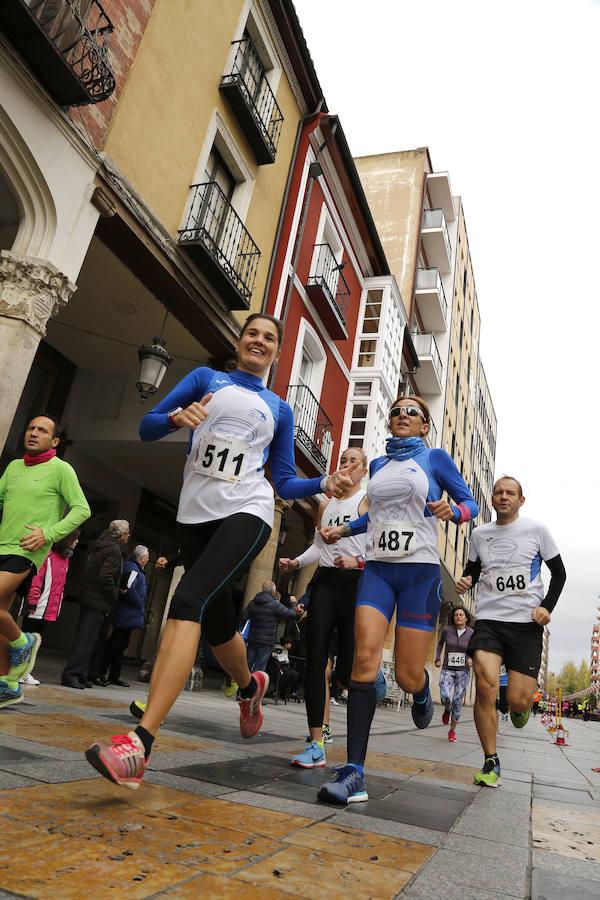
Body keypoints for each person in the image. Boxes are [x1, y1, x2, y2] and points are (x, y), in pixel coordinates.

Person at [85, 313, 357, 789]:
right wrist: (176, 417)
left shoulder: (278, 408)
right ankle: (251, 688)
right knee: (214, 623)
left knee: (188, 600)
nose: (259, 341)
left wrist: (323, 483)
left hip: (248, 510)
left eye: (269, 338)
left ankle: (138, 746)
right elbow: (148, 427)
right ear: (239, 341)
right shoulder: (204, 380)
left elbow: (284, 479)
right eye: (252, 333)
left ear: (276, 353)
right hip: (194, 516)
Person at [317, 396, 478, 804]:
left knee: (407, 675)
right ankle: (354, 771)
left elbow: (470, 504)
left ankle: (421, 691)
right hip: (378, 570)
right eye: (396, 411)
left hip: (419, 574)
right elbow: (376, 516)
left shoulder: (435, 458)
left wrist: (452, 510)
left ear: (425, 425)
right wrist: (345, 529)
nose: (402, 415)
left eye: (413, 412)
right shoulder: (377, 467)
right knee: (365, 656)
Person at [456, 475, 566, 788]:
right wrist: (466, 580)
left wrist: (546, 607)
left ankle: (520, 709)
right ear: (491, 499)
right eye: (499, 492)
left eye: (511, 493)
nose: (504, 497)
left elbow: (559, 574)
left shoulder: (537, 530)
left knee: (518, 701)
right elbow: (473, 571)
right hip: (489, 620)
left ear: (520, 500)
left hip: (526, 624)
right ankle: (491, 761)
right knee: (487, 684)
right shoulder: (480, 534)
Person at [278, 446, 368, 769]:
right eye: (342, 460)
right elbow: (317, 547)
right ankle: (316, 744)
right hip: (326, 585)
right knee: (315, 661)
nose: (345, 465)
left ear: (364, 471)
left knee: (345, 673)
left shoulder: (365, 502)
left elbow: (377, 546)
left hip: (356, 584)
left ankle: (350, 683)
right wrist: (295, 561)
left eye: (352, 461)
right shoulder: (326, 504)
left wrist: (356, 560)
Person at [0, 415, 90, 708]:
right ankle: (7, 683)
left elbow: (81, 509)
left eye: (42, 430)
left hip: (26, 548)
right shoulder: (14, 467)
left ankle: (23, 642)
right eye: (31, 428)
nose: (34, 433)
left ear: (54, 441)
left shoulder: (61, 469)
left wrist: (48, 535)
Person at [61, 520, 130, 689]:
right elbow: (106, 576)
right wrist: (114, 594)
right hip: (98, 601)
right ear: (121, 535)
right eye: (127, 533)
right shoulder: (114, 550)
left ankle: (82, 674)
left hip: (88, 597)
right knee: (87, 640)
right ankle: (72, 674)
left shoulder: (98, 544)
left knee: (87, 639)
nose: (128, 537)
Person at [21, 528, 81, 685]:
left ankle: (25, 672)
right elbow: (36, 579)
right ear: (67, 540)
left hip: (49, 607)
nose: (77, 542)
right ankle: (19, 672)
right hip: (38, 605)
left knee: (36, 641)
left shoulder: (65, 559)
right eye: (75, 538)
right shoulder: (47, 555)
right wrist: (32, 601)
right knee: (28, 640)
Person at [99, 545, 149, 687]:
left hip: (128, 614)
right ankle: (103, 672)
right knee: (115, 644)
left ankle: (114, 674)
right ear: (141, 558)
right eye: (147, 557)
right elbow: (126, 588)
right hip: (126, 613)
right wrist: (139, 604)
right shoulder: (133, 569)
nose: (147, 560)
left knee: (120, 645)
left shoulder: (134, 568)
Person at [240, 582, 304, 673]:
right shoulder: (274, 605)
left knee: (247, 665)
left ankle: (242, 686)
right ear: (273, 592)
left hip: (253, 639)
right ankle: (254, 686)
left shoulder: (253, 603)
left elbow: (243, 617)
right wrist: (293, 603)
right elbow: (291, 614)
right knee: (259, 668)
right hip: (266, 642)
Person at [435, 603, 474, 741]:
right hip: (447, 668)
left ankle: (452, 731)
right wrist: (437, 658)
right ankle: (447, 708)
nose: (458, 617)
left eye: (461, 615)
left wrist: (472, 659)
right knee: (445, 694)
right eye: (456, 615)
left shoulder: (471, 633)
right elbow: (440, 644)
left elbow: (475, 649)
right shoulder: (447, 630)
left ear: (466, 618)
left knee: (457, 700)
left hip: (463, 671)